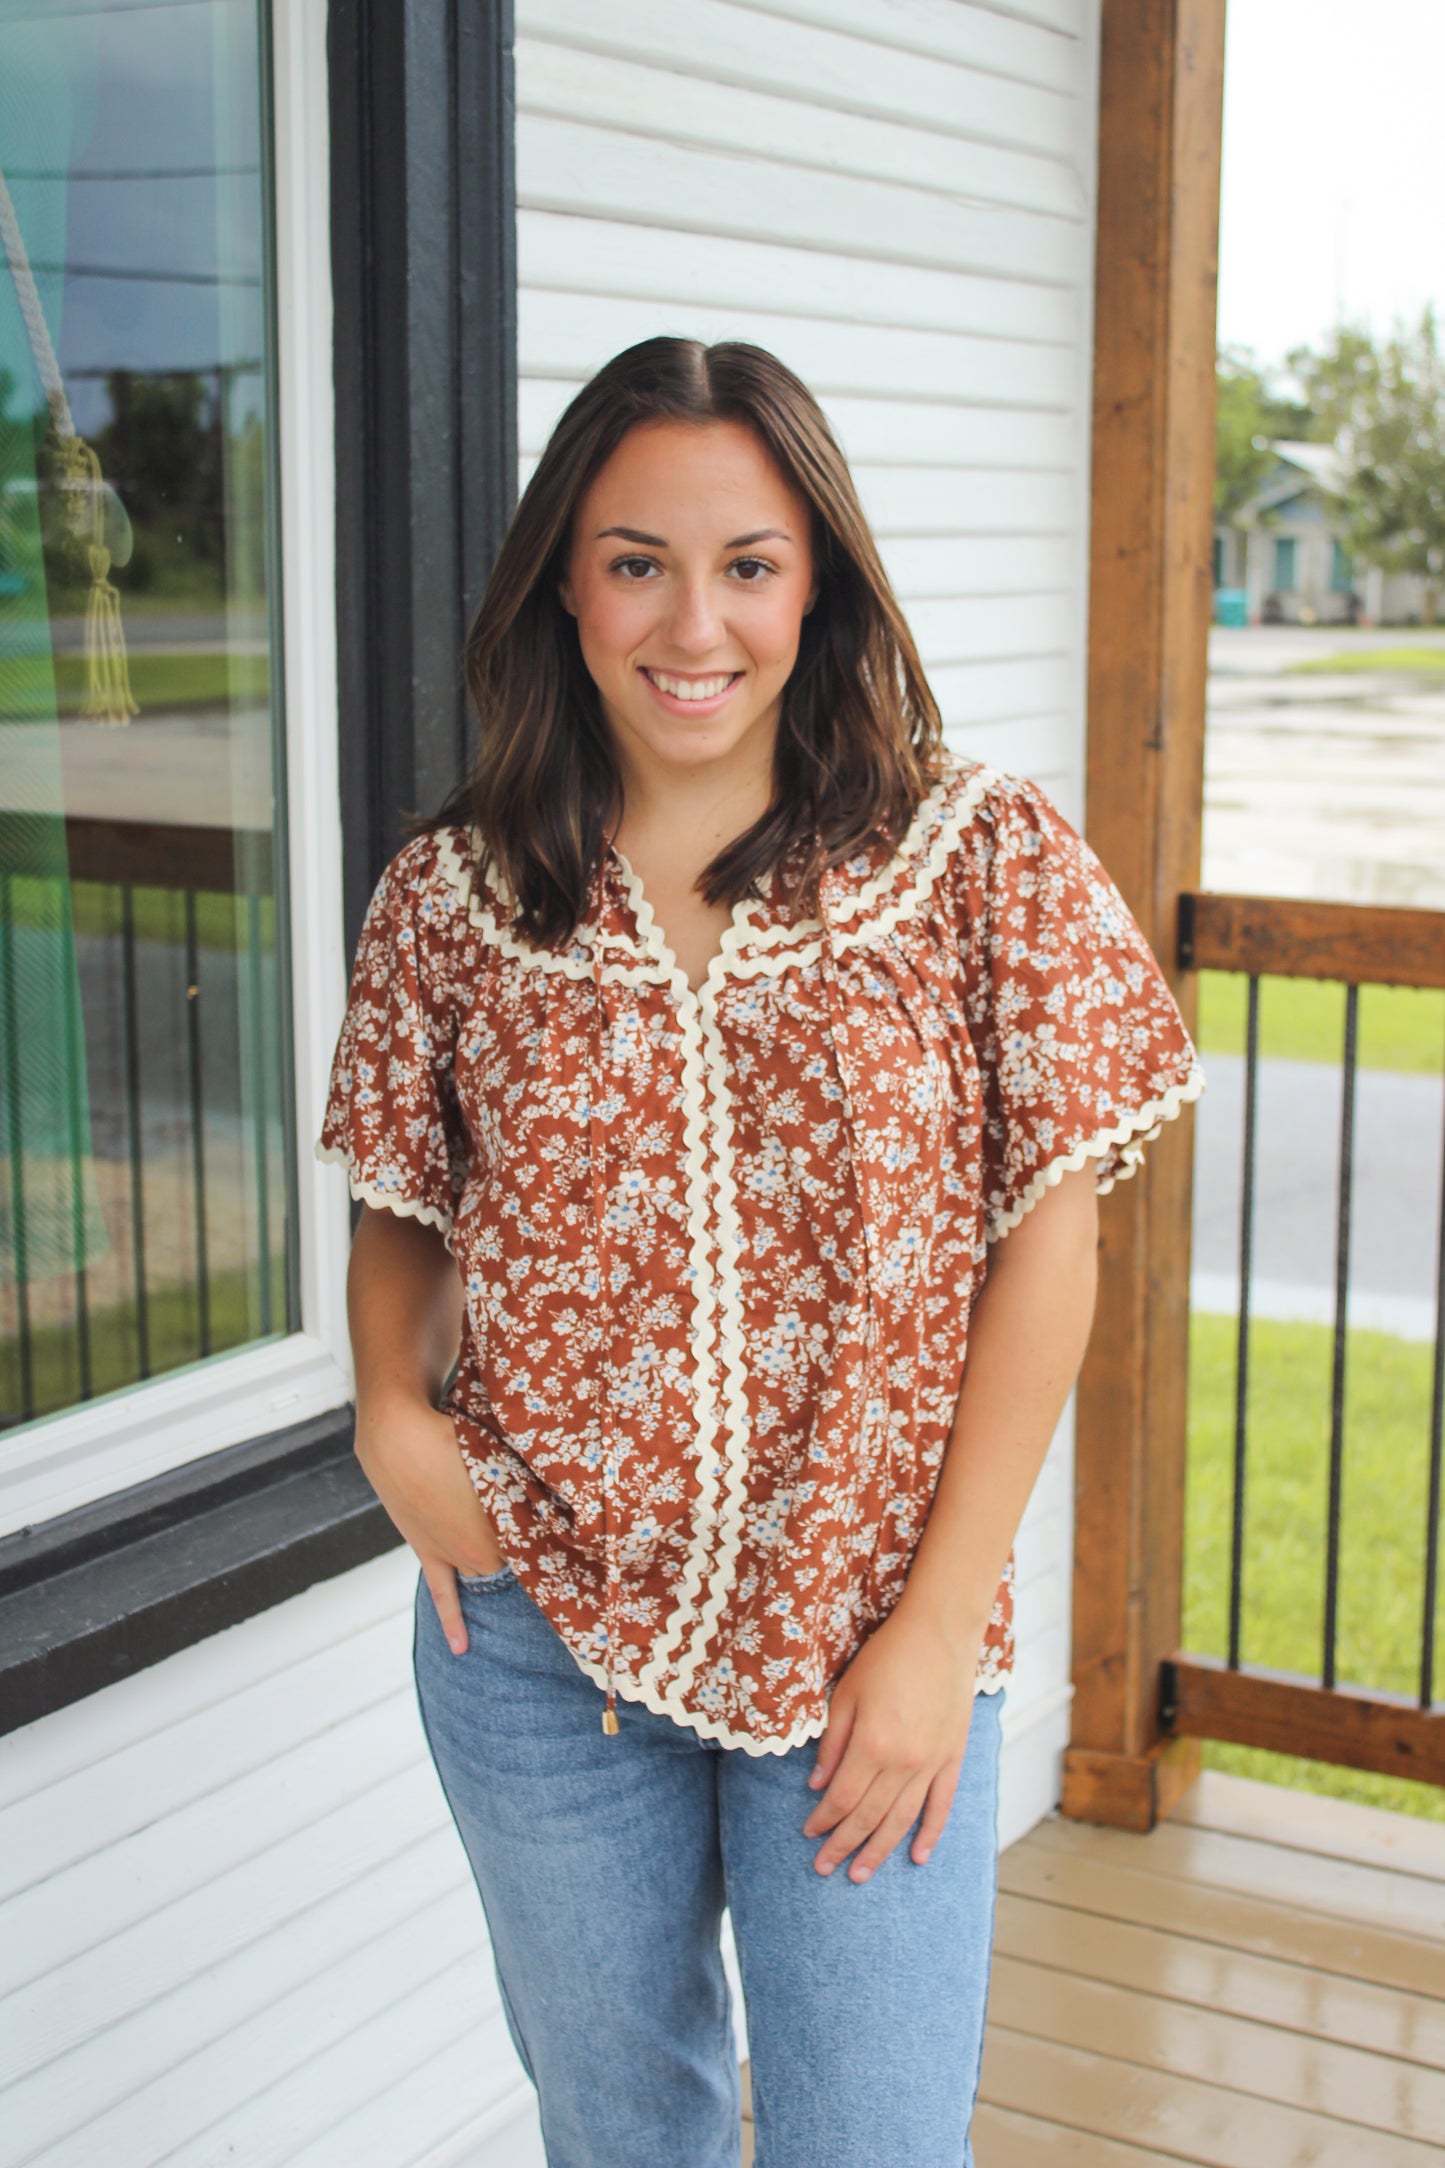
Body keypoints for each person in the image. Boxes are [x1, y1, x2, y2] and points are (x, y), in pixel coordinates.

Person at [317, 337, 1205, 2168]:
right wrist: (392, 1420)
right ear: (564, 580)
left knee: (866, 2146)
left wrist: (941, 1616)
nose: (690, 624)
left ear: (820, 580)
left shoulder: (979, 860)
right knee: (616, 2135)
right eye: (636, 559)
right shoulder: (454, 897)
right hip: (537, 1642)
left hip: (869, 1639)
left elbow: (1050, 1248)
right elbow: (403, 1202)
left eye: (748, 564)